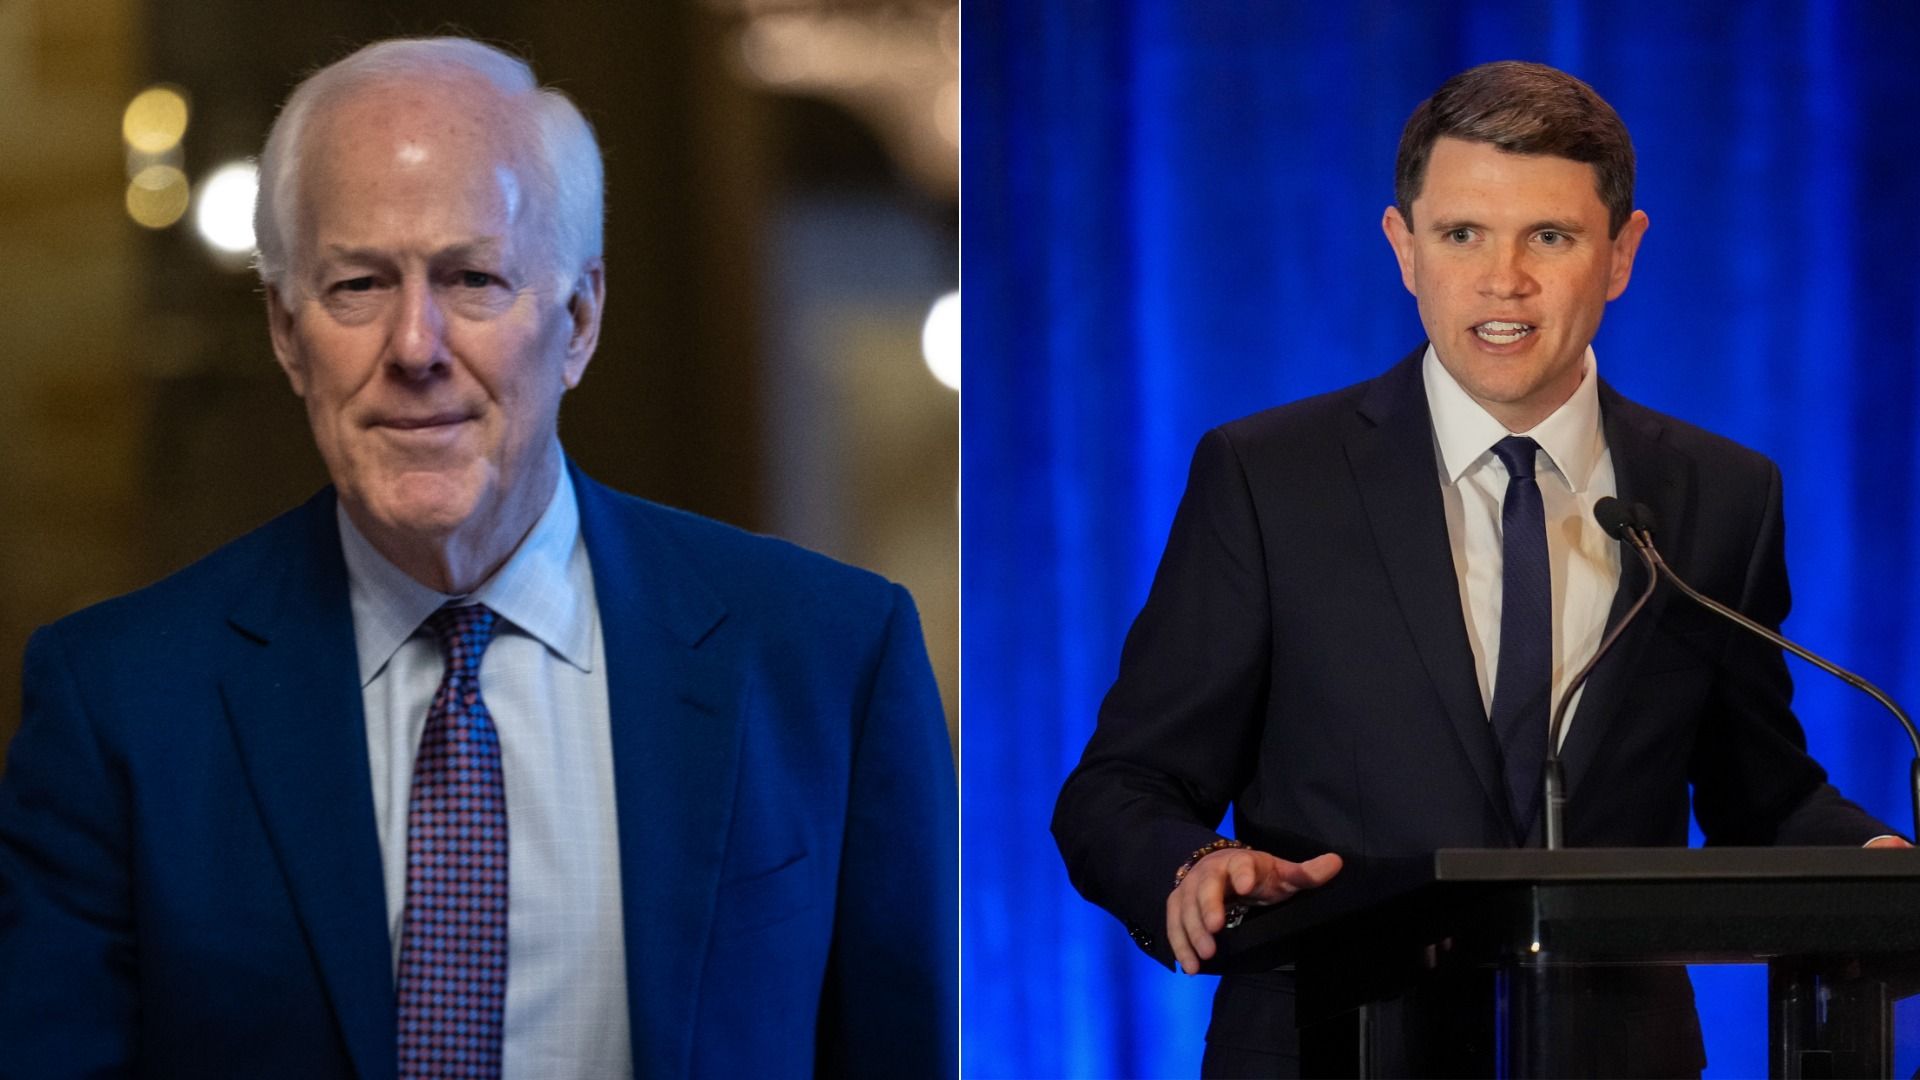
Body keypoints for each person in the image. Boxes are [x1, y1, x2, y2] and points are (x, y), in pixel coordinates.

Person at [0, 37, 955, 1079]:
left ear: (580, 319)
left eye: (473, 278)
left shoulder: (829, 661)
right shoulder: (119, 702)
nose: (415, 347)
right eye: (359, 284)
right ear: (285, 330)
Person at [1052, 60, 1906, 1078]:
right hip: (1334, 1045)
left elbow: (1756, 790)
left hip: (1611, 1054)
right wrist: (1194, 865)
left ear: (1622, 253)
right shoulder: (1271, 478)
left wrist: (1879, 866)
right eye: (1462, 234)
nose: (1505, 280)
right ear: (1403, 248)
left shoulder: (1717, 497)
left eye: (1550, 236)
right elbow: (1122, 787)